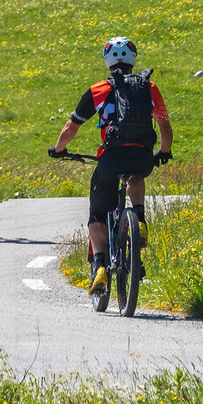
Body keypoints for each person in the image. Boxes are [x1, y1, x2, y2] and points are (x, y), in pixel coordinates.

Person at [50, 36, 172, 297]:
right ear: (132, 59)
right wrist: (163, 151)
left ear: (107, 61)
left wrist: (58, 150)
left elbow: (72, 127)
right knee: (136, 176)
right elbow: (164, 126)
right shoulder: (149, 87)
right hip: (142, 156)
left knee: (97, 212)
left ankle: (101, 265)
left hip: (111, 157)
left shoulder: (98, 90)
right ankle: (138, 218)